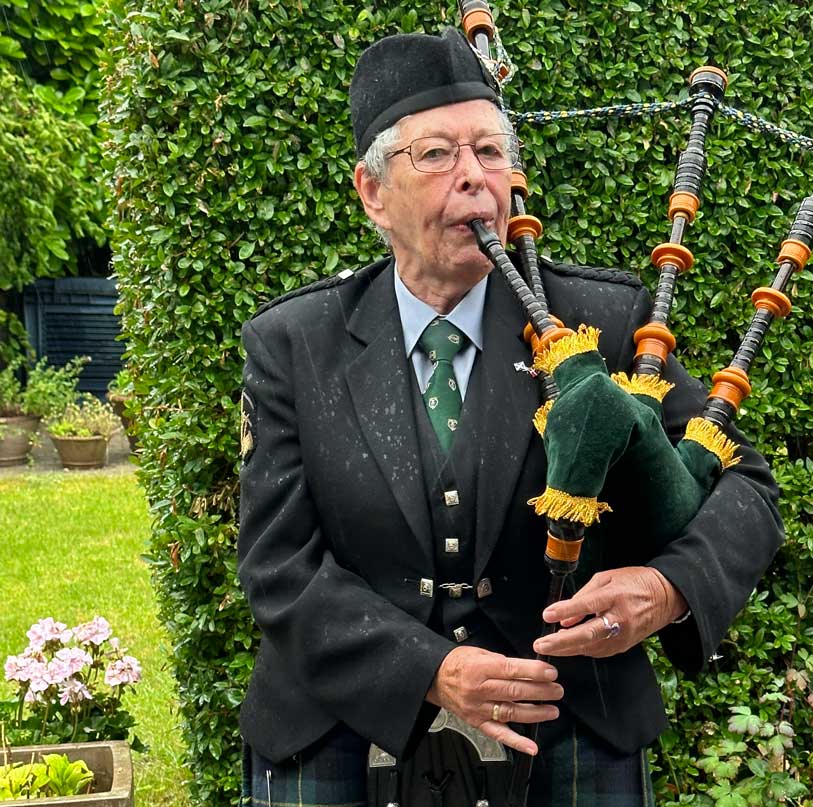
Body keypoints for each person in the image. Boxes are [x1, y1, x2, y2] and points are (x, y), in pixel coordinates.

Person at [237, 27, 784, 807]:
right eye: (437, 155)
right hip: (342, 726)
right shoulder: (295, 345)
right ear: (371, 192)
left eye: (491, 153)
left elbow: (747, 489)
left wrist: (665, 589)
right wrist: (431, 670)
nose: (475, 179)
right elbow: (278, 565)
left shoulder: (603, 320)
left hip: (568, 721)